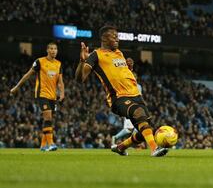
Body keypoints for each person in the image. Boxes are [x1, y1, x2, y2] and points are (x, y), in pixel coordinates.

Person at [75, 25, 167, 157]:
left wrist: (129, 69)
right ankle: (154, 148)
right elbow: (80, 79)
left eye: (117, 36)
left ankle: (120, 147)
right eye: (114, 36)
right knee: (138, 113)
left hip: (136, 95)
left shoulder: (119, 53)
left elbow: (121, 74)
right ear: (104, 38)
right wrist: (81, 61)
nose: (117, 39)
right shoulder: (96, 55)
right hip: (118, 97)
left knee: (145, 129)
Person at [10, 42, 64, 151]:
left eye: (55, 49)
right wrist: (16, 87)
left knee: (48, 120)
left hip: (53, 96)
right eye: (51, 49)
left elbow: (60, 82)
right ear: (47, 50)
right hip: (42, 94)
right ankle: (51, 143)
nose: (54, 51)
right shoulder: (39, 62)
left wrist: (62, 93)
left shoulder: (59, 64)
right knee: (48, 117)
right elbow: (27, 74)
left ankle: (43, 145)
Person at [111, 58, 140, 145]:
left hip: (136, 109)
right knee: (129, 129)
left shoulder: (139, 86)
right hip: (129, 108)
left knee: (136, 127)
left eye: (135, 77)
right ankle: (117, 138)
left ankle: (127, 143)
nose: (134, 78)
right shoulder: (126, 86)